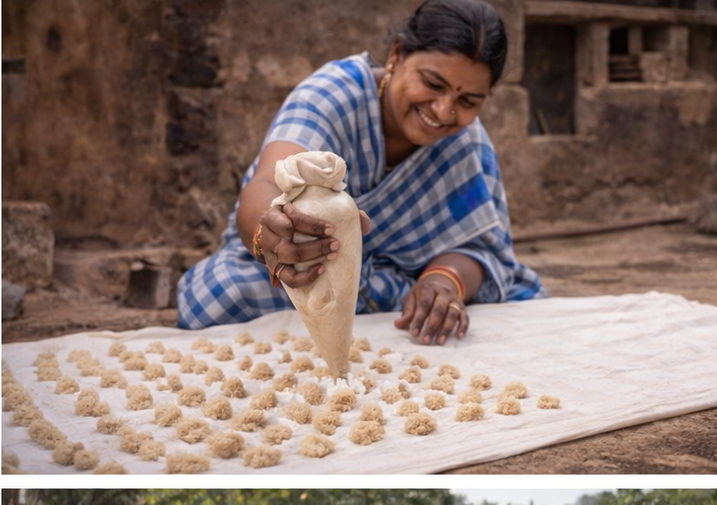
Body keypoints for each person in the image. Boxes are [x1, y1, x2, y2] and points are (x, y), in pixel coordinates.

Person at [178, 0, 544, 345]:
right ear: (397, 55)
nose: (444, 111)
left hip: (401, 288)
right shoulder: (332, 95)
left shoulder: (467, 143)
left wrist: (443, 281)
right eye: (433, 84)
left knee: (503, 312)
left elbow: (480, 247)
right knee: (220, 296)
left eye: (467, 102)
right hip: (307, 274)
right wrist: (270, 233)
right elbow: (268, 183)